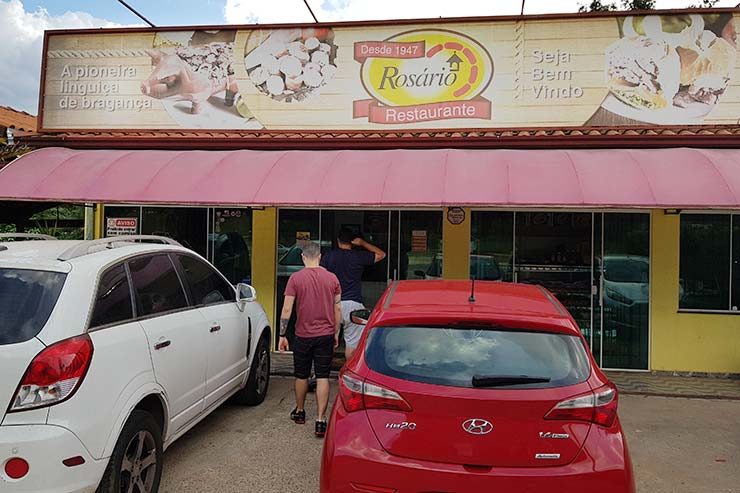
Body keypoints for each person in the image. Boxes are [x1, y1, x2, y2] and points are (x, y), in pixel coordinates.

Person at [278, 241, 341, 438]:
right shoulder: (332, 278)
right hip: (325, 335)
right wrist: (336, 332)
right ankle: (321, 420)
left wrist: (282, 335)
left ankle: (300, 412)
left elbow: (287, 309)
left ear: (303, 257)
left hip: (303, 335)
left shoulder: (295, 279)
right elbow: (337, 308)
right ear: (320, 257)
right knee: (322, 376)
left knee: (301, 375)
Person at [321, 227, 386, 360]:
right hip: (353, 305)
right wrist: (363, 243)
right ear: (352, 242)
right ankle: (349, 376)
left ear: (338, 241)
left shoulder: (329, 256)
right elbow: (382, 255)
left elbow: (319, 275)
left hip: (332, 305)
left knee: (327, 342)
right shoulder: (358, 256)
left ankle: (321, 374)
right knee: (352, 346)